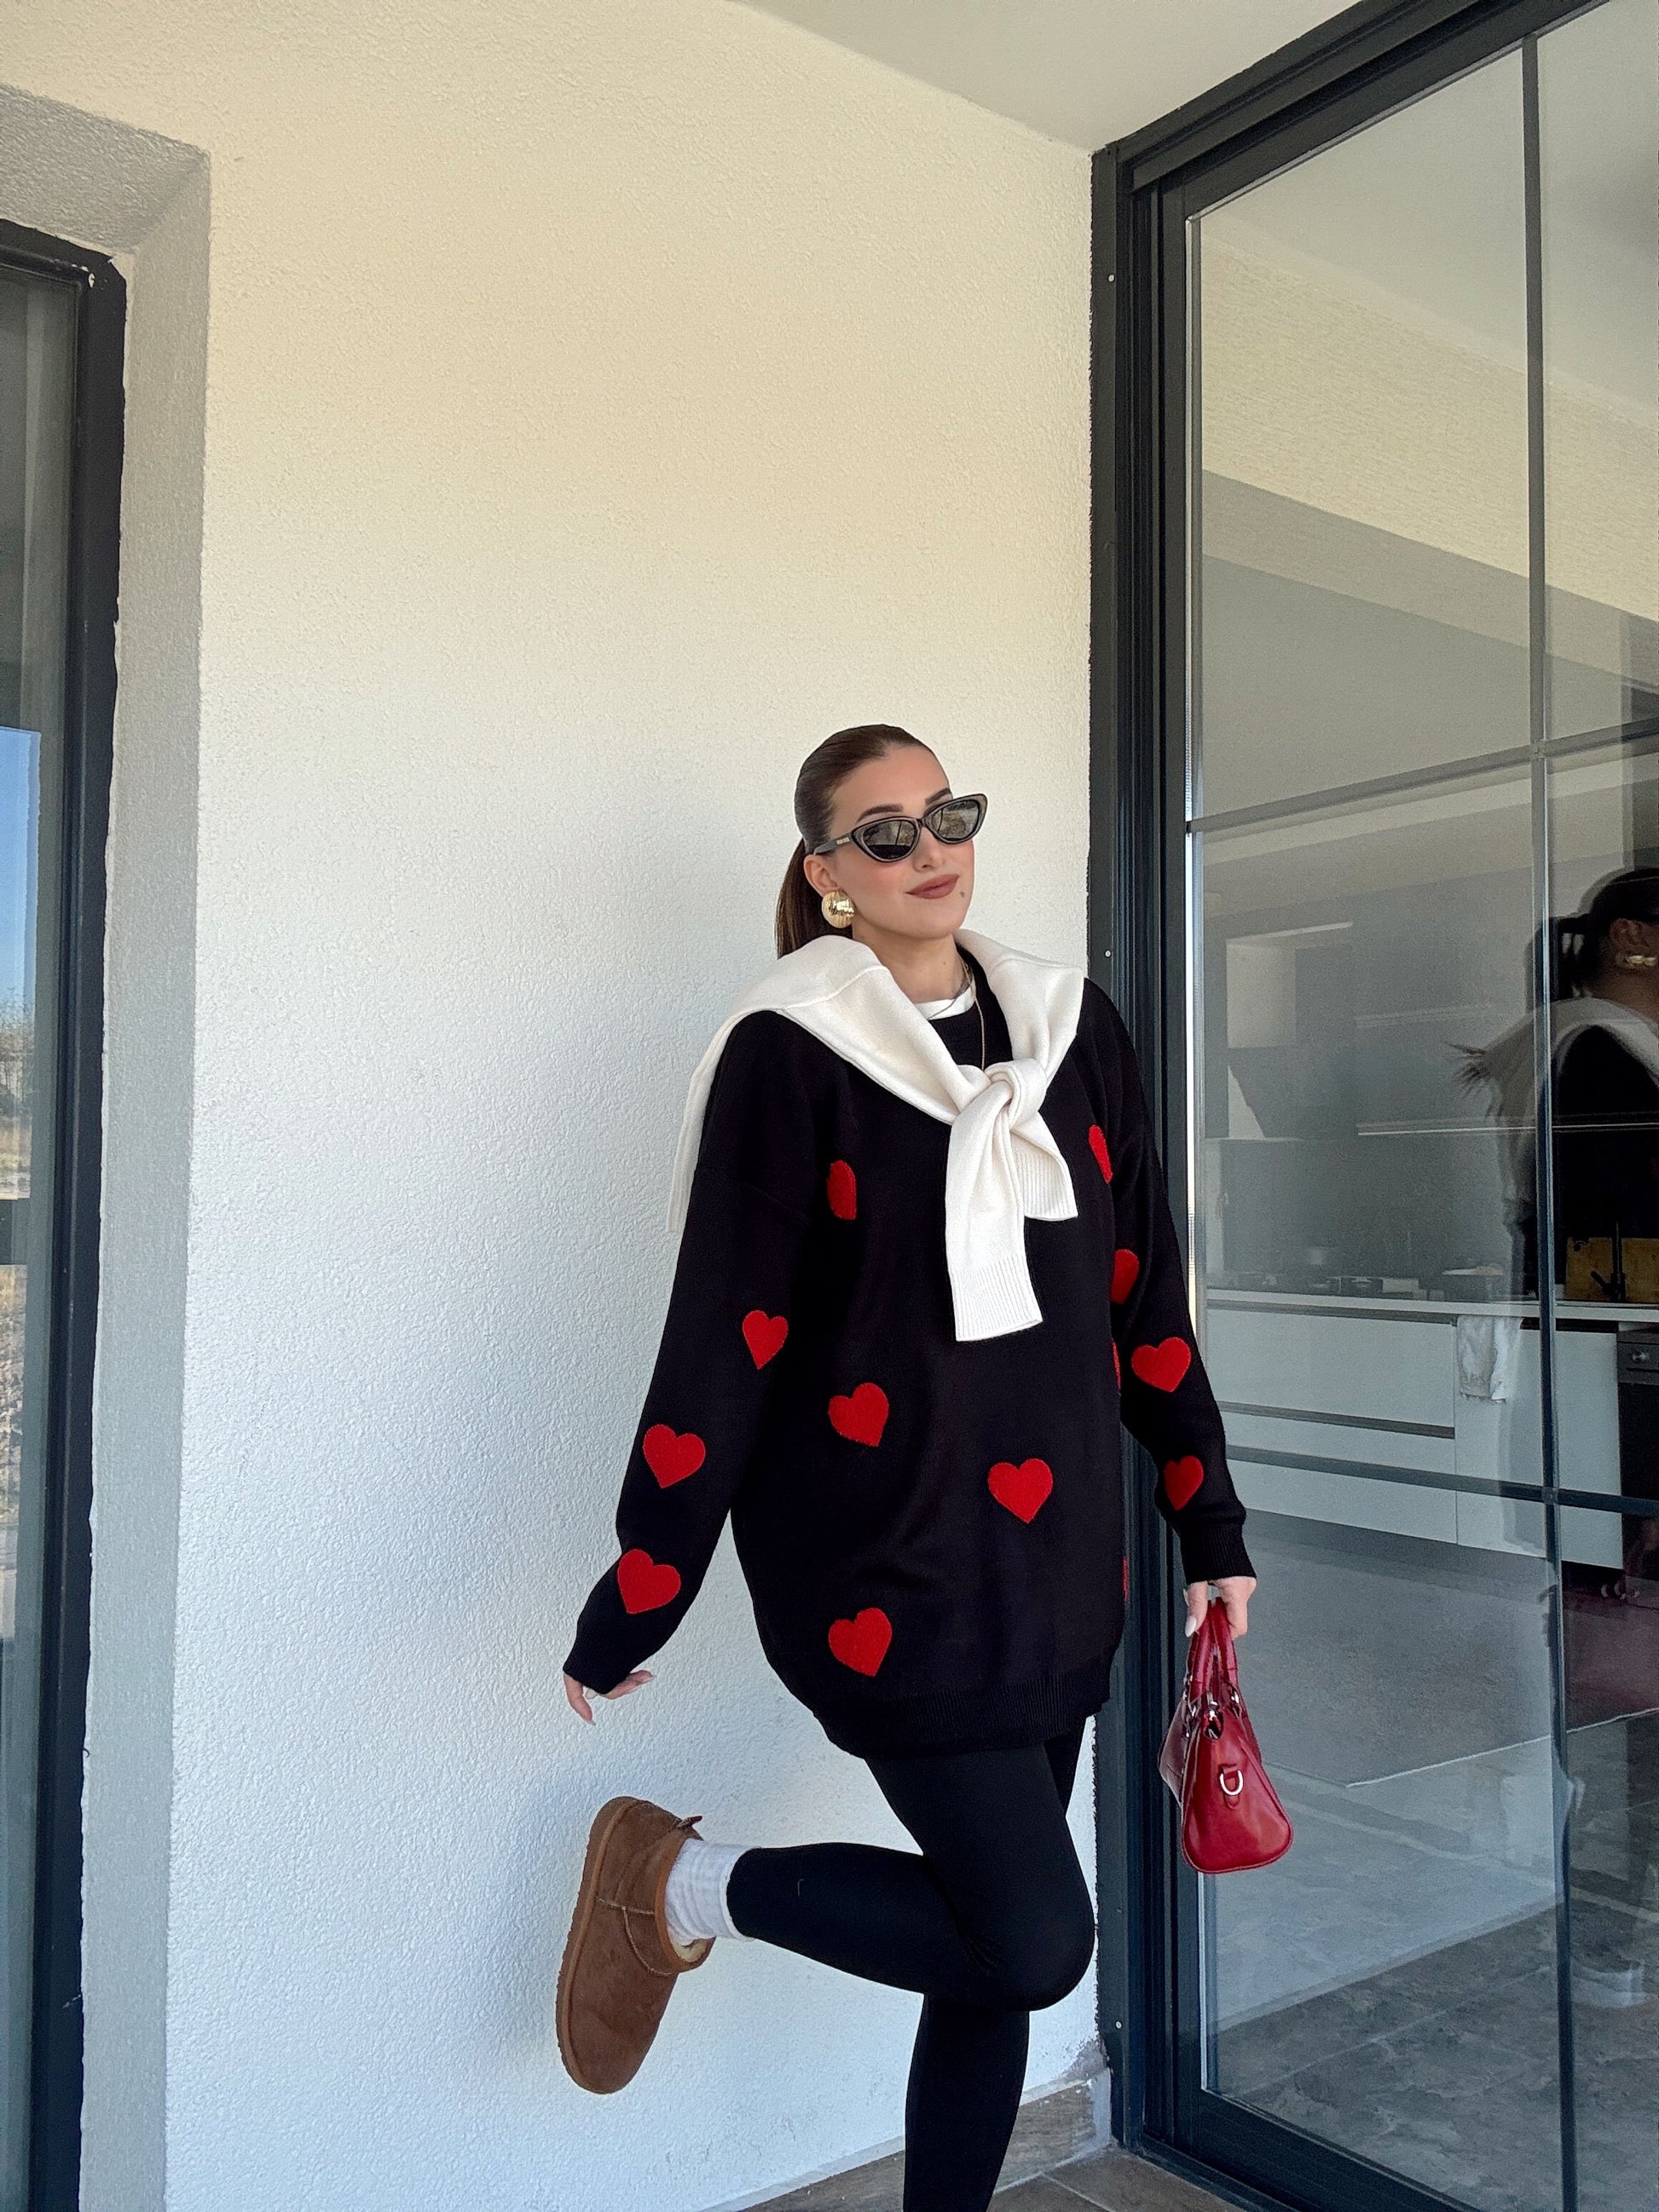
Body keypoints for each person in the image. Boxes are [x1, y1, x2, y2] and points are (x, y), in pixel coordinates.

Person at [553, 724, 1256, 2211]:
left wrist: (1210, 1523)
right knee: (1032, 1940)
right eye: (884, 832)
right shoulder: (789, 1050)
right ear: (826, 875)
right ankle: (685, 1880)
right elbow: (727, 1335)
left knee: (987, 1955)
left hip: (1055, 1558)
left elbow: (1142, 1293)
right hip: (881, 1557)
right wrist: (642, 1587)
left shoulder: (1071, 1029)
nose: (929, 848)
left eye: (949, 813)